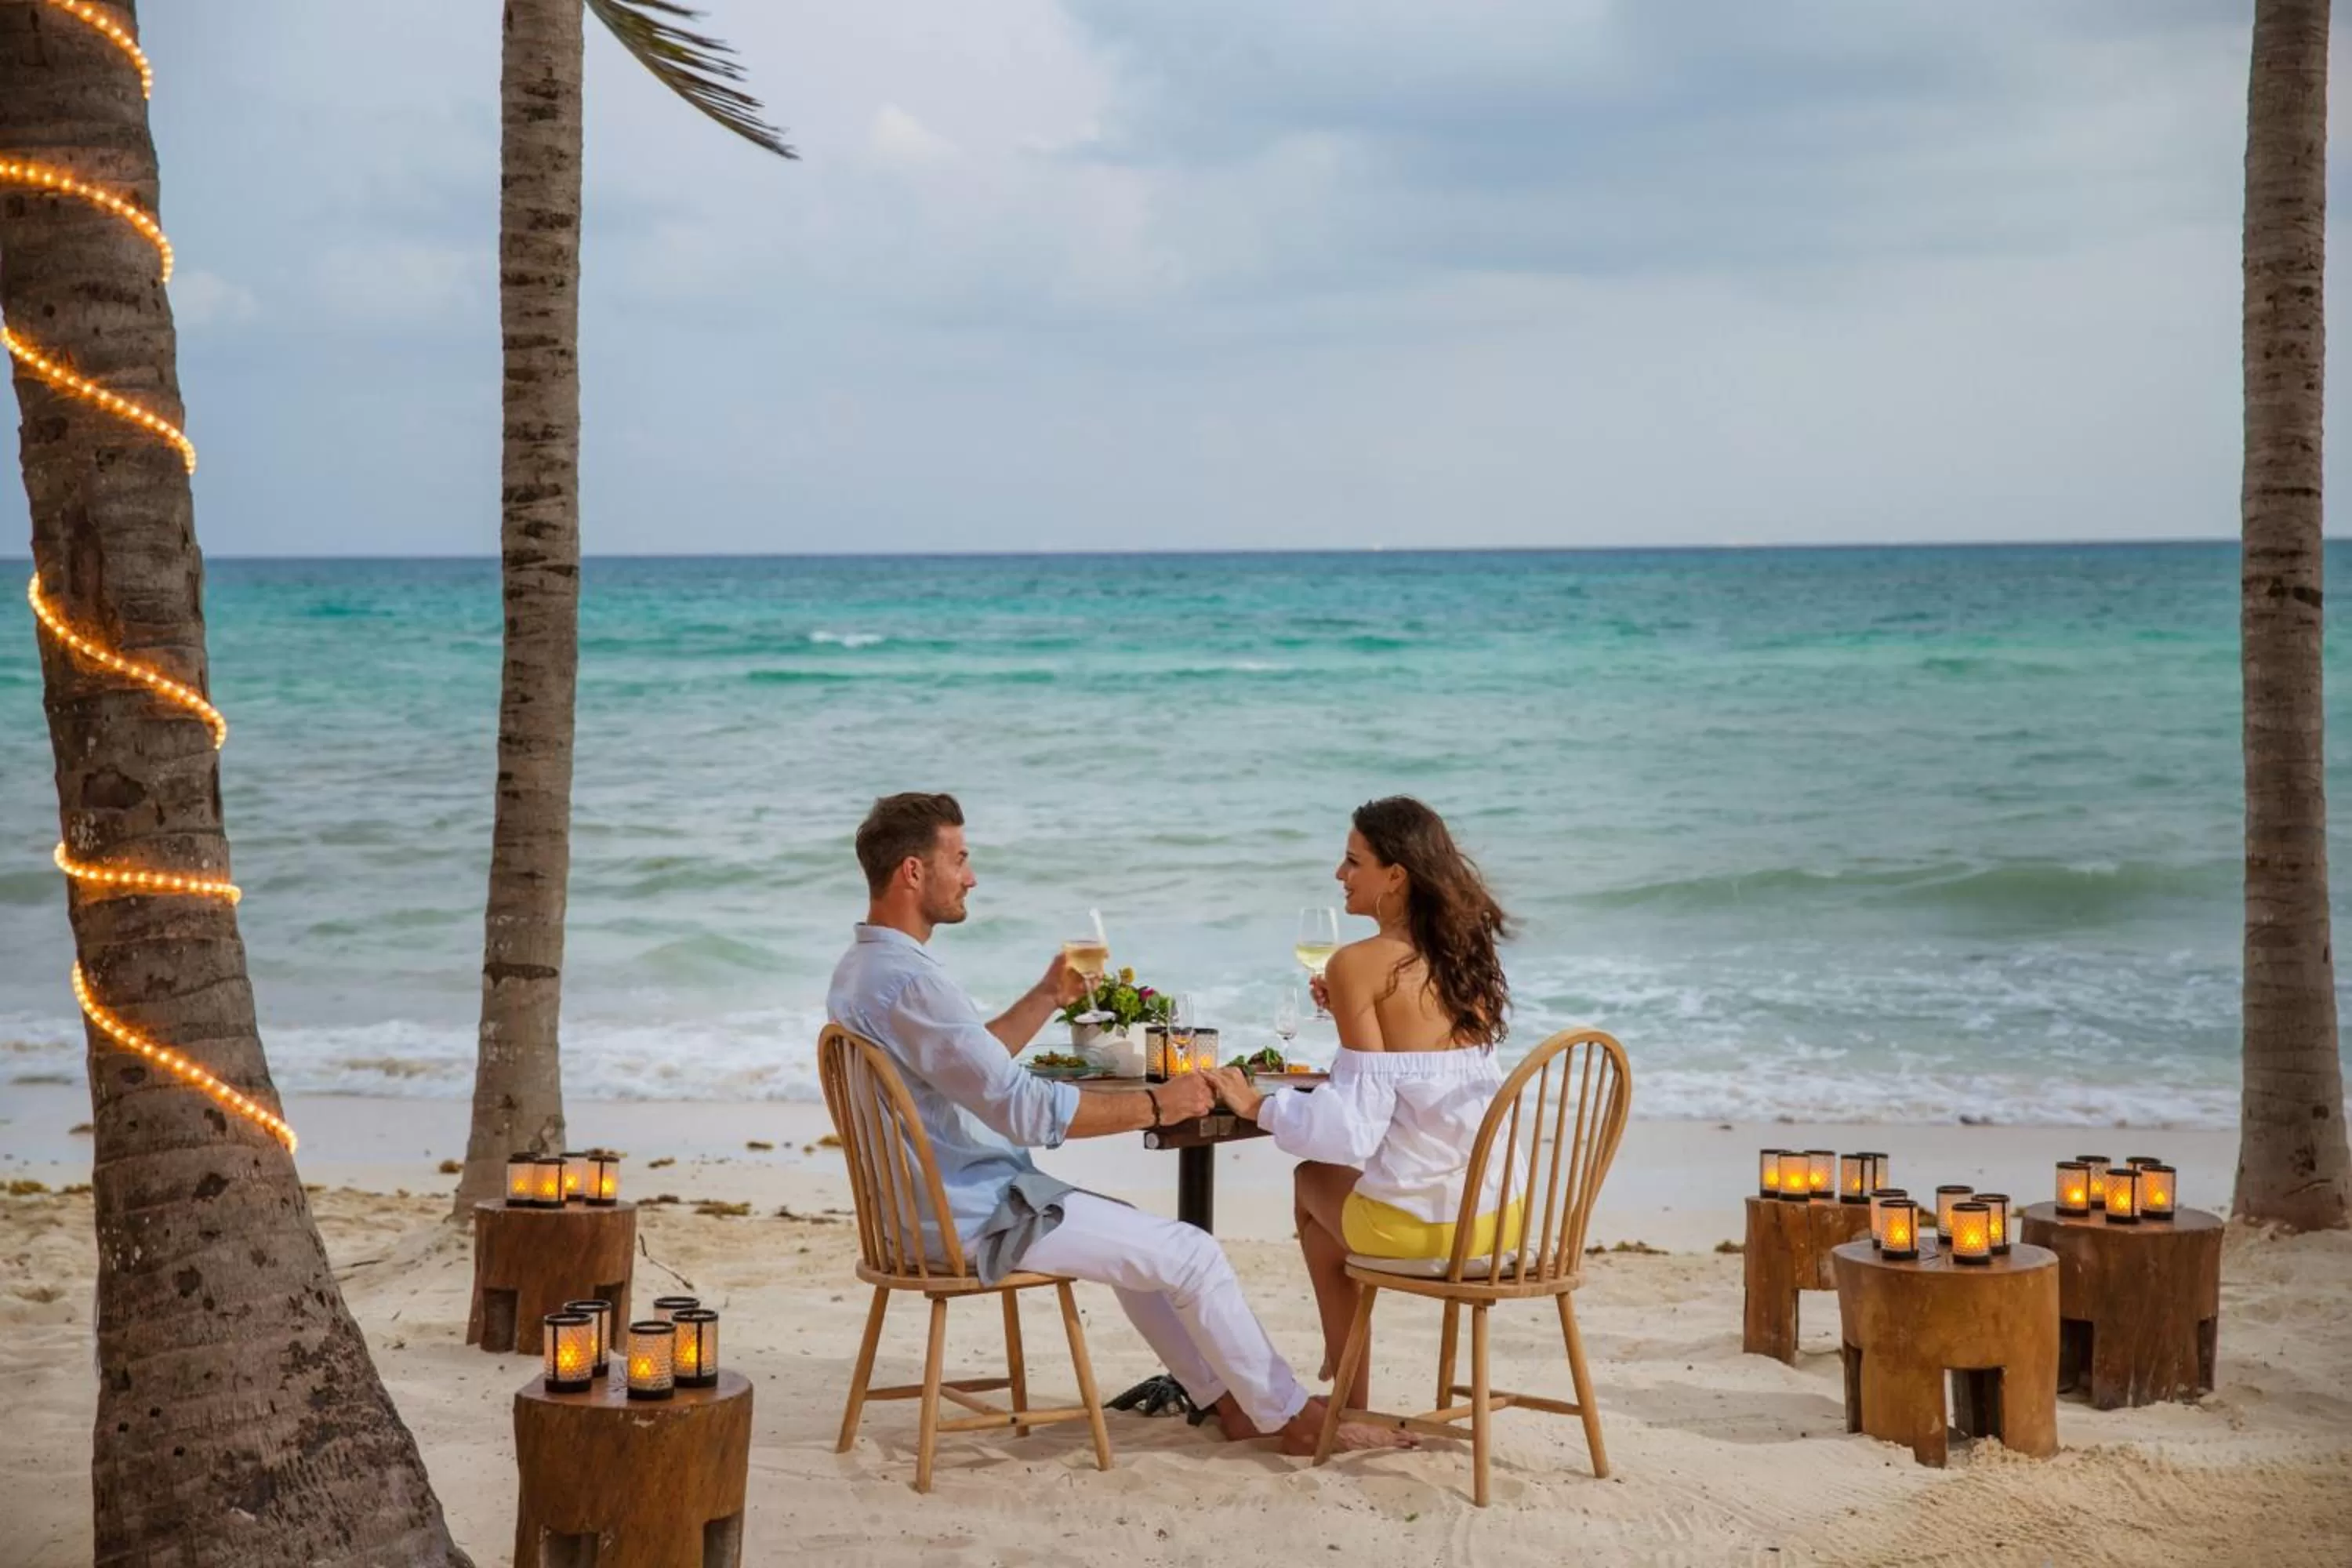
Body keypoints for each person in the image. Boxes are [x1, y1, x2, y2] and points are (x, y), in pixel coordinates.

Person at [826, 791, 1410, 1455]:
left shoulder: (865, 970)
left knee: (1146, 1244)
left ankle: (1231, 1403)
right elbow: (1021, 1108)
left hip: (924, 1209)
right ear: (912, 871)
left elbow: (965, 1064)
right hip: (971, 1216)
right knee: (1194, 1254)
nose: (971, 876)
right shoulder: (910, 981)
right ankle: (1290, 1420)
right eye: (958, 859)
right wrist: (1164, 1105)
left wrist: (1048, 996)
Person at [1203, 797, 1515, 1410]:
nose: (1339, 875)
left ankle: (1348, 1379)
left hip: (1430, 1230)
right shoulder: (1464, 959)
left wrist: (1254, 1107)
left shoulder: (1359, 963)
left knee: (1311, 1177)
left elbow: (1349, 1133)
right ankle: (1346, 1380)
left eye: (1352, 861)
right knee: (1325, 1228)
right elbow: (1418, 1071)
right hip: (1503, 1218)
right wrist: (1348, 1008)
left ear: (1395, 875)